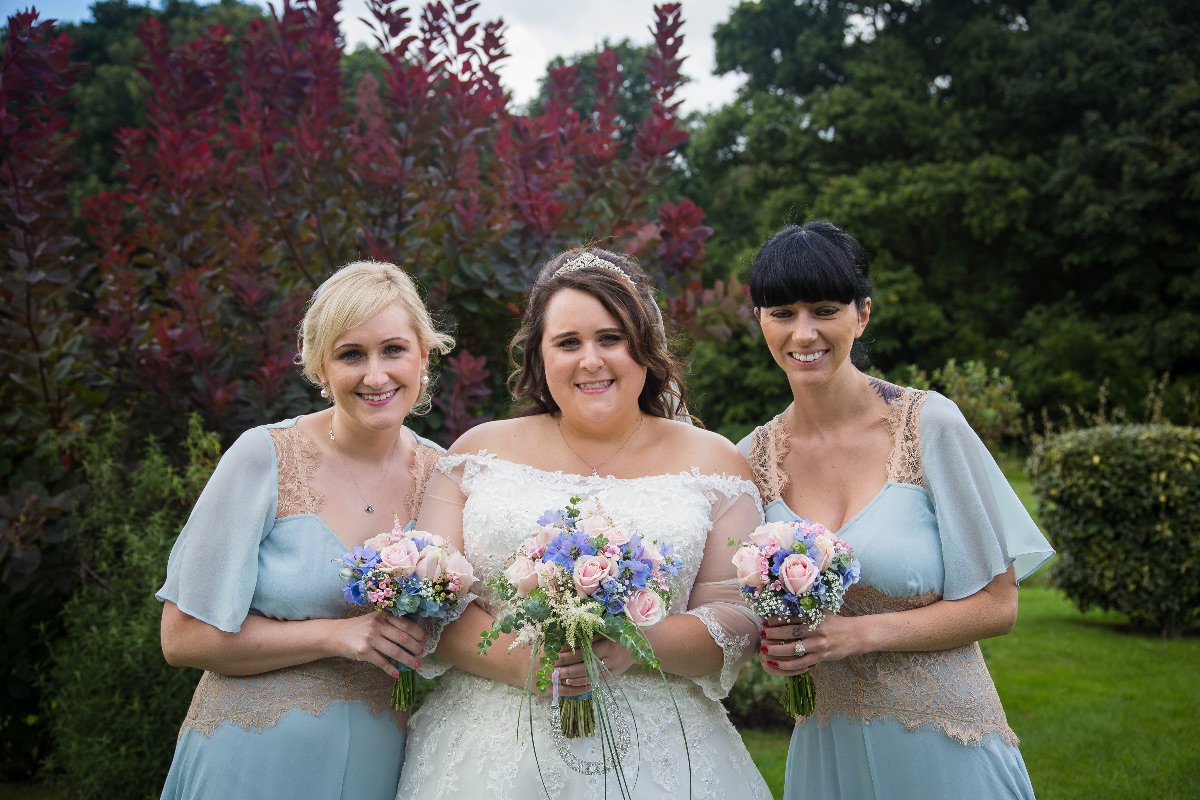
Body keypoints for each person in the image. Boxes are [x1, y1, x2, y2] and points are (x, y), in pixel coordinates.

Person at [395, 248, 771, 799]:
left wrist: (636, 643)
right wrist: (529, 664)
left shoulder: (716, 465)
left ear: (644, 347)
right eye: (568, 343)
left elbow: (736, 617)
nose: (590, 360)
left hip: (662, 755)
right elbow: (432, 600)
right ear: (540, 357)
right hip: (487, 747)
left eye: (611, 338)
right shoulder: (476, 454)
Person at [737, 222, 1054, 800]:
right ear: (759, 319)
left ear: (862, 315)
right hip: (826, 748)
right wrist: (774, 645)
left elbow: (998, 606)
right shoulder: (749, 460)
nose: (802, 332)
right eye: (782, 312)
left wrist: (855, 635)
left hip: (946, 740)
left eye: (824, 309)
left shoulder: (929, 425)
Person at [157, 260, 454, 800]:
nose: (376, 375)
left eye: (393, 349)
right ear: (320, 368)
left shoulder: (446, 476)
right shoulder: (263, 457)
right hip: (252, 759)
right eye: (350, 355)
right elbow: (181, 638)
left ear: (423, 356)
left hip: (385, 765)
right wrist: (335, 636)